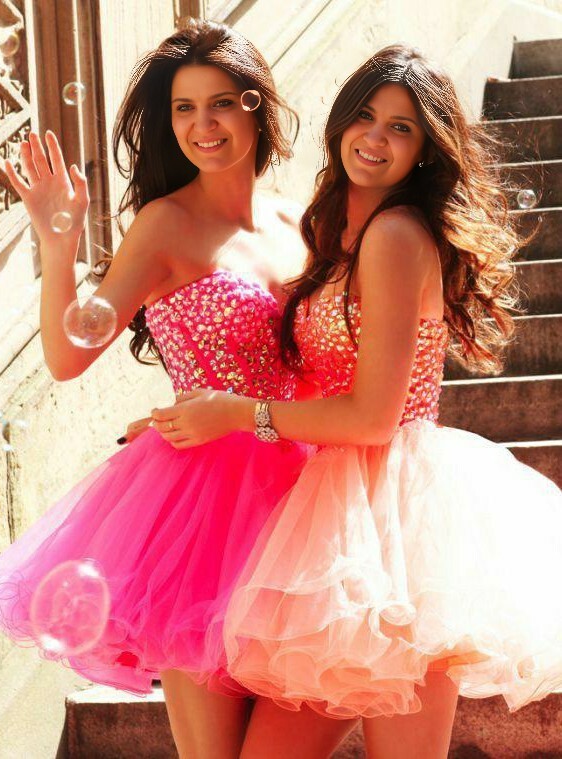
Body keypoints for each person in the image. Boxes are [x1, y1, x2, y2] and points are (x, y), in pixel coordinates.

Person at [155, 44, 562, 758]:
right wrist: (188, 416)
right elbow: (316, 379)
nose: (375, 138)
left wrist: (237, 414)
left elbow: (374, 417)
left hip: (399, 527)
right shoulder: (338, 234)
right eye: (366, 117)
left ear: (425, 149)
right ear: (341, 122)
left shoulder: (396, 236)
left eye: (401, 128)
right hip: (341, 515)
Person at [0, 19, 358, 759]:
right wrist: (60, 245)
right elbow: (67, 356)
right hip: (202, 511)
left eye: (220, 102)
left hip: (308, 499)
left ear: (256, 105)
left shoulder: (300, 223)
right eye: (184, 108)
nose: (202, 125)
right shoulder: (163, 225)